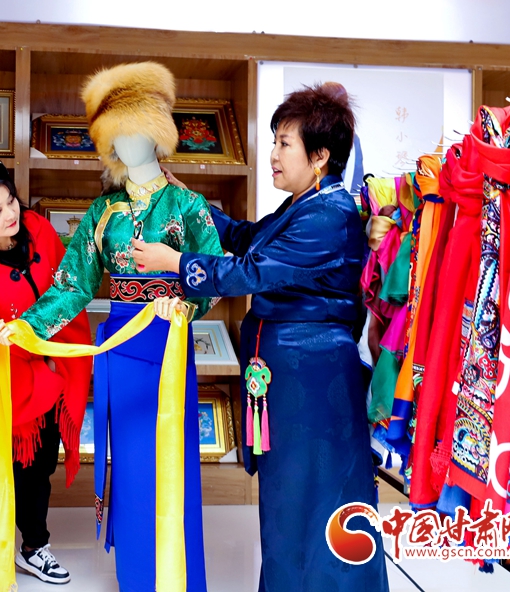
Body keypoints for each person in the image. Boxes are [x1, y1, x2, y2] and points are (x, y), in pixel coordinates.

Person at [132, 82, 390, 592]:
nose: (272, 154)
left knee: (313, 500)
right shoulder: (306, 205)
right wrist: (184, 197)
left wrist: (176, 262)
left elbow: (251, 271)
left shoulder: (330, 215)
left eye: (284, 143)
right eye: (274, 141)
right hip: (296, 376)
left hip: (313, 380)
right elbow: (246, 237)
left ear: (320, 156)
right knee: (291, 500)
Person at [0, 62, 222, 592]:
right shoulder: (101, 212)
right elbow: (72, 286)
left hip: (168, 343)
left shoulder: (188, 205)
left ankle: (179, 577)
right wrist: (24, 326)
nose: (127, 142)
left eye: (138, 130)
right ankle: (137, 576)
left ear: (159, 133)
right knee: (132, 465)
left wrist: (185, 307)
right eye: (118, 133)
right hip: (120, 343)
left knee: (172, 460)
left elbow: (214, 275)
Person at [0, 162, 92, 591]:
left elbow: (68, 290)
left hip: (55, 375)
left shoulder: (40, 230)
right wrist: (32, 357)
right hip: (13, 388)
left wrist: (51, 362)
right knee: (6, 472)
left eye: (10, 201)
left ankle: (33, 546)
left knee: (40, 469)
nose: (10, 214)